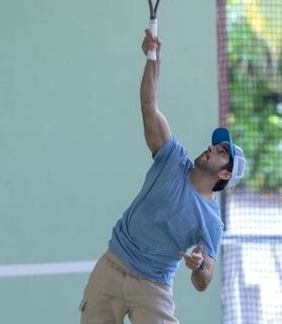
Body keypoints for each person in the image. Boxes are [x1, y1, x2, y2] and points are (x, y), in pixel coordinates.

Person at [79, 30, 246, 324]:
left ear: (224, 173)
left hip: (153, 286)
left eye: (221, 152)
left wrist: (198, 265)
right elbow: (149, 106)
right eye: (215, 145)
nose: (211, 148)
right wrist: (152, 57)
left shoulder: (211, 221)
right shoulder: (172, 158)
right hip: (111, 267)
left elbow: (204, 279)